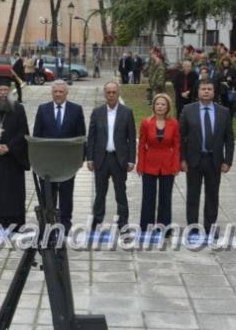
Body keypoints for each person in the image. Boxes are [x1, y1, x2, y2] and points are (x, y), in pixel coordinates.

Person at [179, 80, 234, 234]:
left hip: (214, 160)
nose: (206, 91)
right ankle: (193, 226)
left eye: (210, 89)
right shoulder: (188, 110)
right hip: (194, 160)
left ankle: (210, 226)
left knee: (212, 194)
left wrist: (228, 160)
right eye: (203, 89)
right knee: (192, 194)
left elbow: (229, 138)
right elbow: (181, 137)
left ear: (214, 91)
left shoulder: (223, 112)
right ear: (198, 91)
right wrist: (182, 159)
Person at [33, 80, 86, 231]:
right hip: (47, 163)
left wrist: (82, 157)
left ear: (66, 93)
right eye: (55, 91)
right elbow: (37, 135)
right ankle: (47, 225)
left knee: (66, 194)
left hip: (68, 162)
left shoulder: (76, 110)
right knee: (48, 195)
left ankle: (65, 224)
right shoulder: (43, 109)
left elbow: (81, 135)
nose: (58, 94)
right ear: (52, 93)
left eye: (61, 92)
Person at [0, 77, 30, 229]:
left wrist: (9, 146)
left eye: (5, 90)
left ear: (10, 92)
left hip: (13, 158)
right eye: (0, 90)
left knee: (13, 191)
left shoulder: (19, 109)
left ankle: (15, 221)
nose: (2, 93)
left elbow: (23, 132)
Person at [86, 82, 136, 229]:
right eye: (108, 92)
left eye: (114, 92)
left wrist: (132, 160)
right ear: (104, 94)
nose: (111, 95)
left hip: (119, 159)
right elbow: (92, 137)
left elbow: (132, 139)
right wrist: (89, 158)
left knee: (120, 193)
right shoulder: (97, 112)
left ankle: (123, 223)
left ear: (118, 93)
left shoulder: (127, 112)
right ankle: (97, 221)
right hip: (101, 159)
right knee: (100, 193)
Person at [137, 93, 180, 231]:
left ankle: (164, 227)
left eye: (163, 104)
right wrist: (140, 165)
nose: (160, 106)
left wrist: (176, 165)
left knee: (165, 197)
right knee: (148, 196)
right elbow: (142, 146)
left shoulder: (174, 123)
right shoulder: (146, 122)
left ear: (168, 107)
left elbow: (177, 146)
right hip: (149, 164)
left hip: (167, 165)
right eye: (157, 104)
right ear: (153, 106)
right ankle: (146, 226)